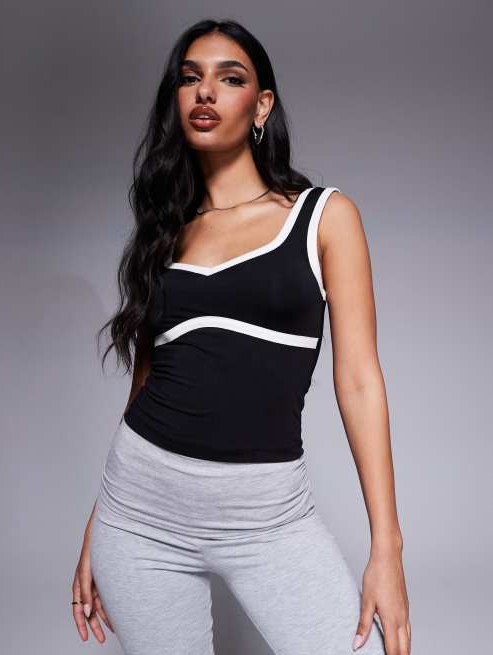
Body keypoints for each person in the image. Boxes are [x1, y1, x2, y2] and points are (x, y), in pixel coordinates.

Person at [71, 18, 410, 655]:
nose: (205, 92)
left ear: (261, 106)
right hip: (139, 516)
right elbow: (147, 379)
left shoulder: (323, 217)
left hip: (269, 520)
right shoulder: (166, 229)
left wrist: (386, 551)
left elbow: (360, 380)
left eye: (230, 79)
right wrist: (98, 524)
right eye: (190, 78)